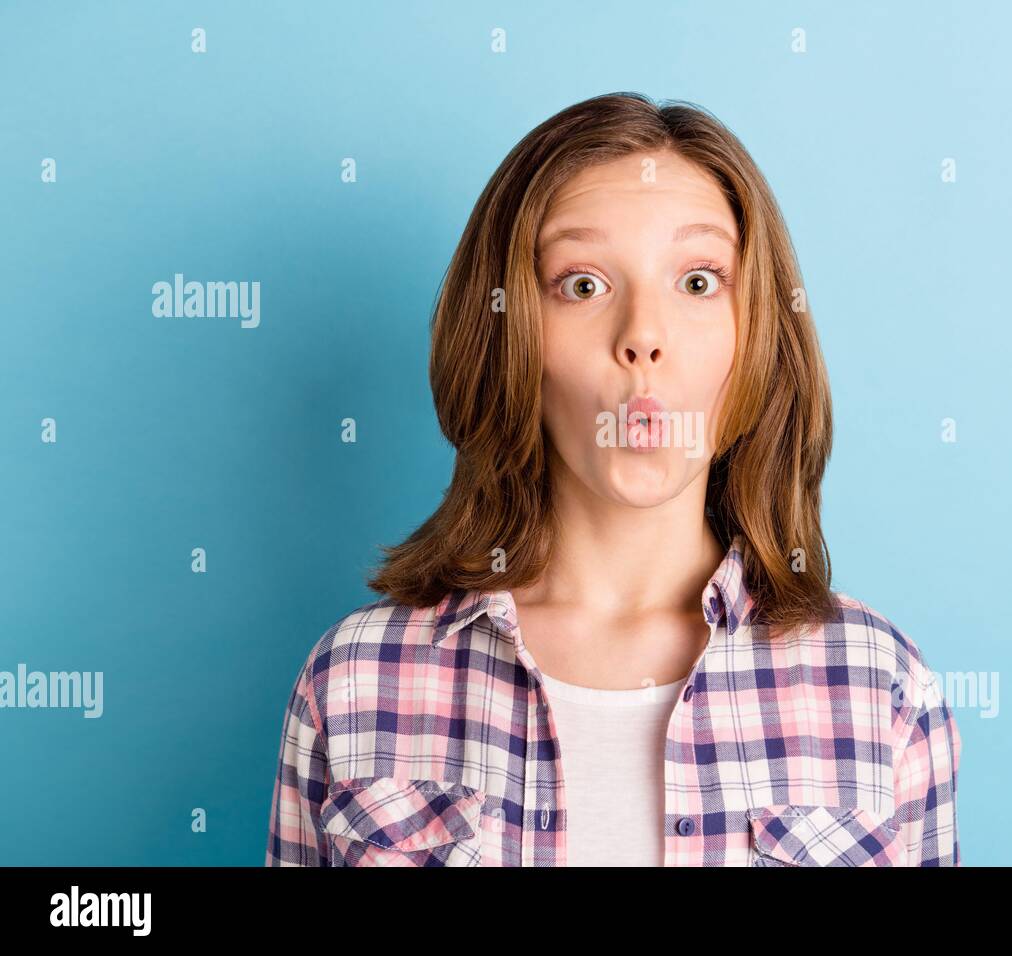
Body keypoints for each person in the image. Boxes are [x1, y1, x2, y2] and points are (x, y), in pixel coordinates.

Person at [266, 91, 962, 867]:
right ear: (508, 335)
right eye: (583, 285)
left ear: (759, 336)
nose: (643, 338)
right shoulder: (356, 682)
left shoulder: (879, 688)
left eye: (698, 281)